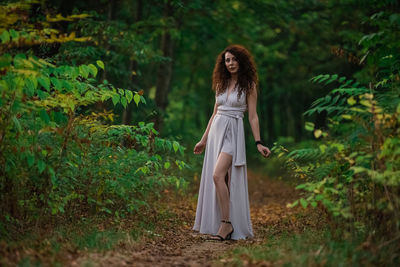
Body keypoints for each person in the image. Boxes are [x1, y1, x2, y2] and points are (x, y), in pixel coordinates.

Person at [192, 44, 271, 241]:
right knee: (221, 178)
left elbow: (253, 117)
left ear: (241, 61)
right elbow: (214, 114)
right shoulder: (220, 84)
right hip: (216, 132)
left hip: (233, 133)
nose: (230, 63)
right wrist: (203, 140)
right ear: (223, 63)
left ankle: (226, 224)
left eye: (234, 59)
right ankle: (222, 222)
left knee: (218, 176)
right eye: (227, 60)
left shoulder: (249, 85)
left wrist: (258, 142)